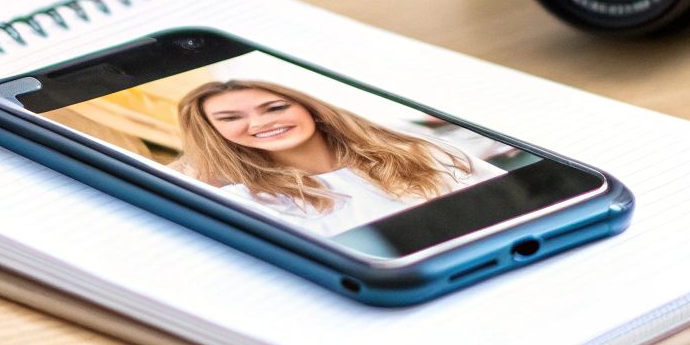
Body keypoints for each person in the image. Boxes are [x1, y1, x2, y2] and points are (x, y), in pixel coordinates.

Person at [176, 79, 501, 237]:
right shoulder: (245, 202)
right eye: (231, 118)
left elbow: (502, 200)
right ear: (215, 133)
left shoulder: (418, 150)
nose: (261, 123)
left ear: (311, 108)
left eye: (275, 108)